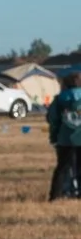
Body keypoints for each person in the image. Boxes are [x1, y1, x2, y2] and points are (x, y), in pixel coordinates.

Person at [49, 73, 81, 203]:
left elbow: (53, 119)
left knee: (61, 168)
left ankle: (55, 196)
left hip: (65, 139)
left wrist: (54, 136)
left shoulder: (59, 99)